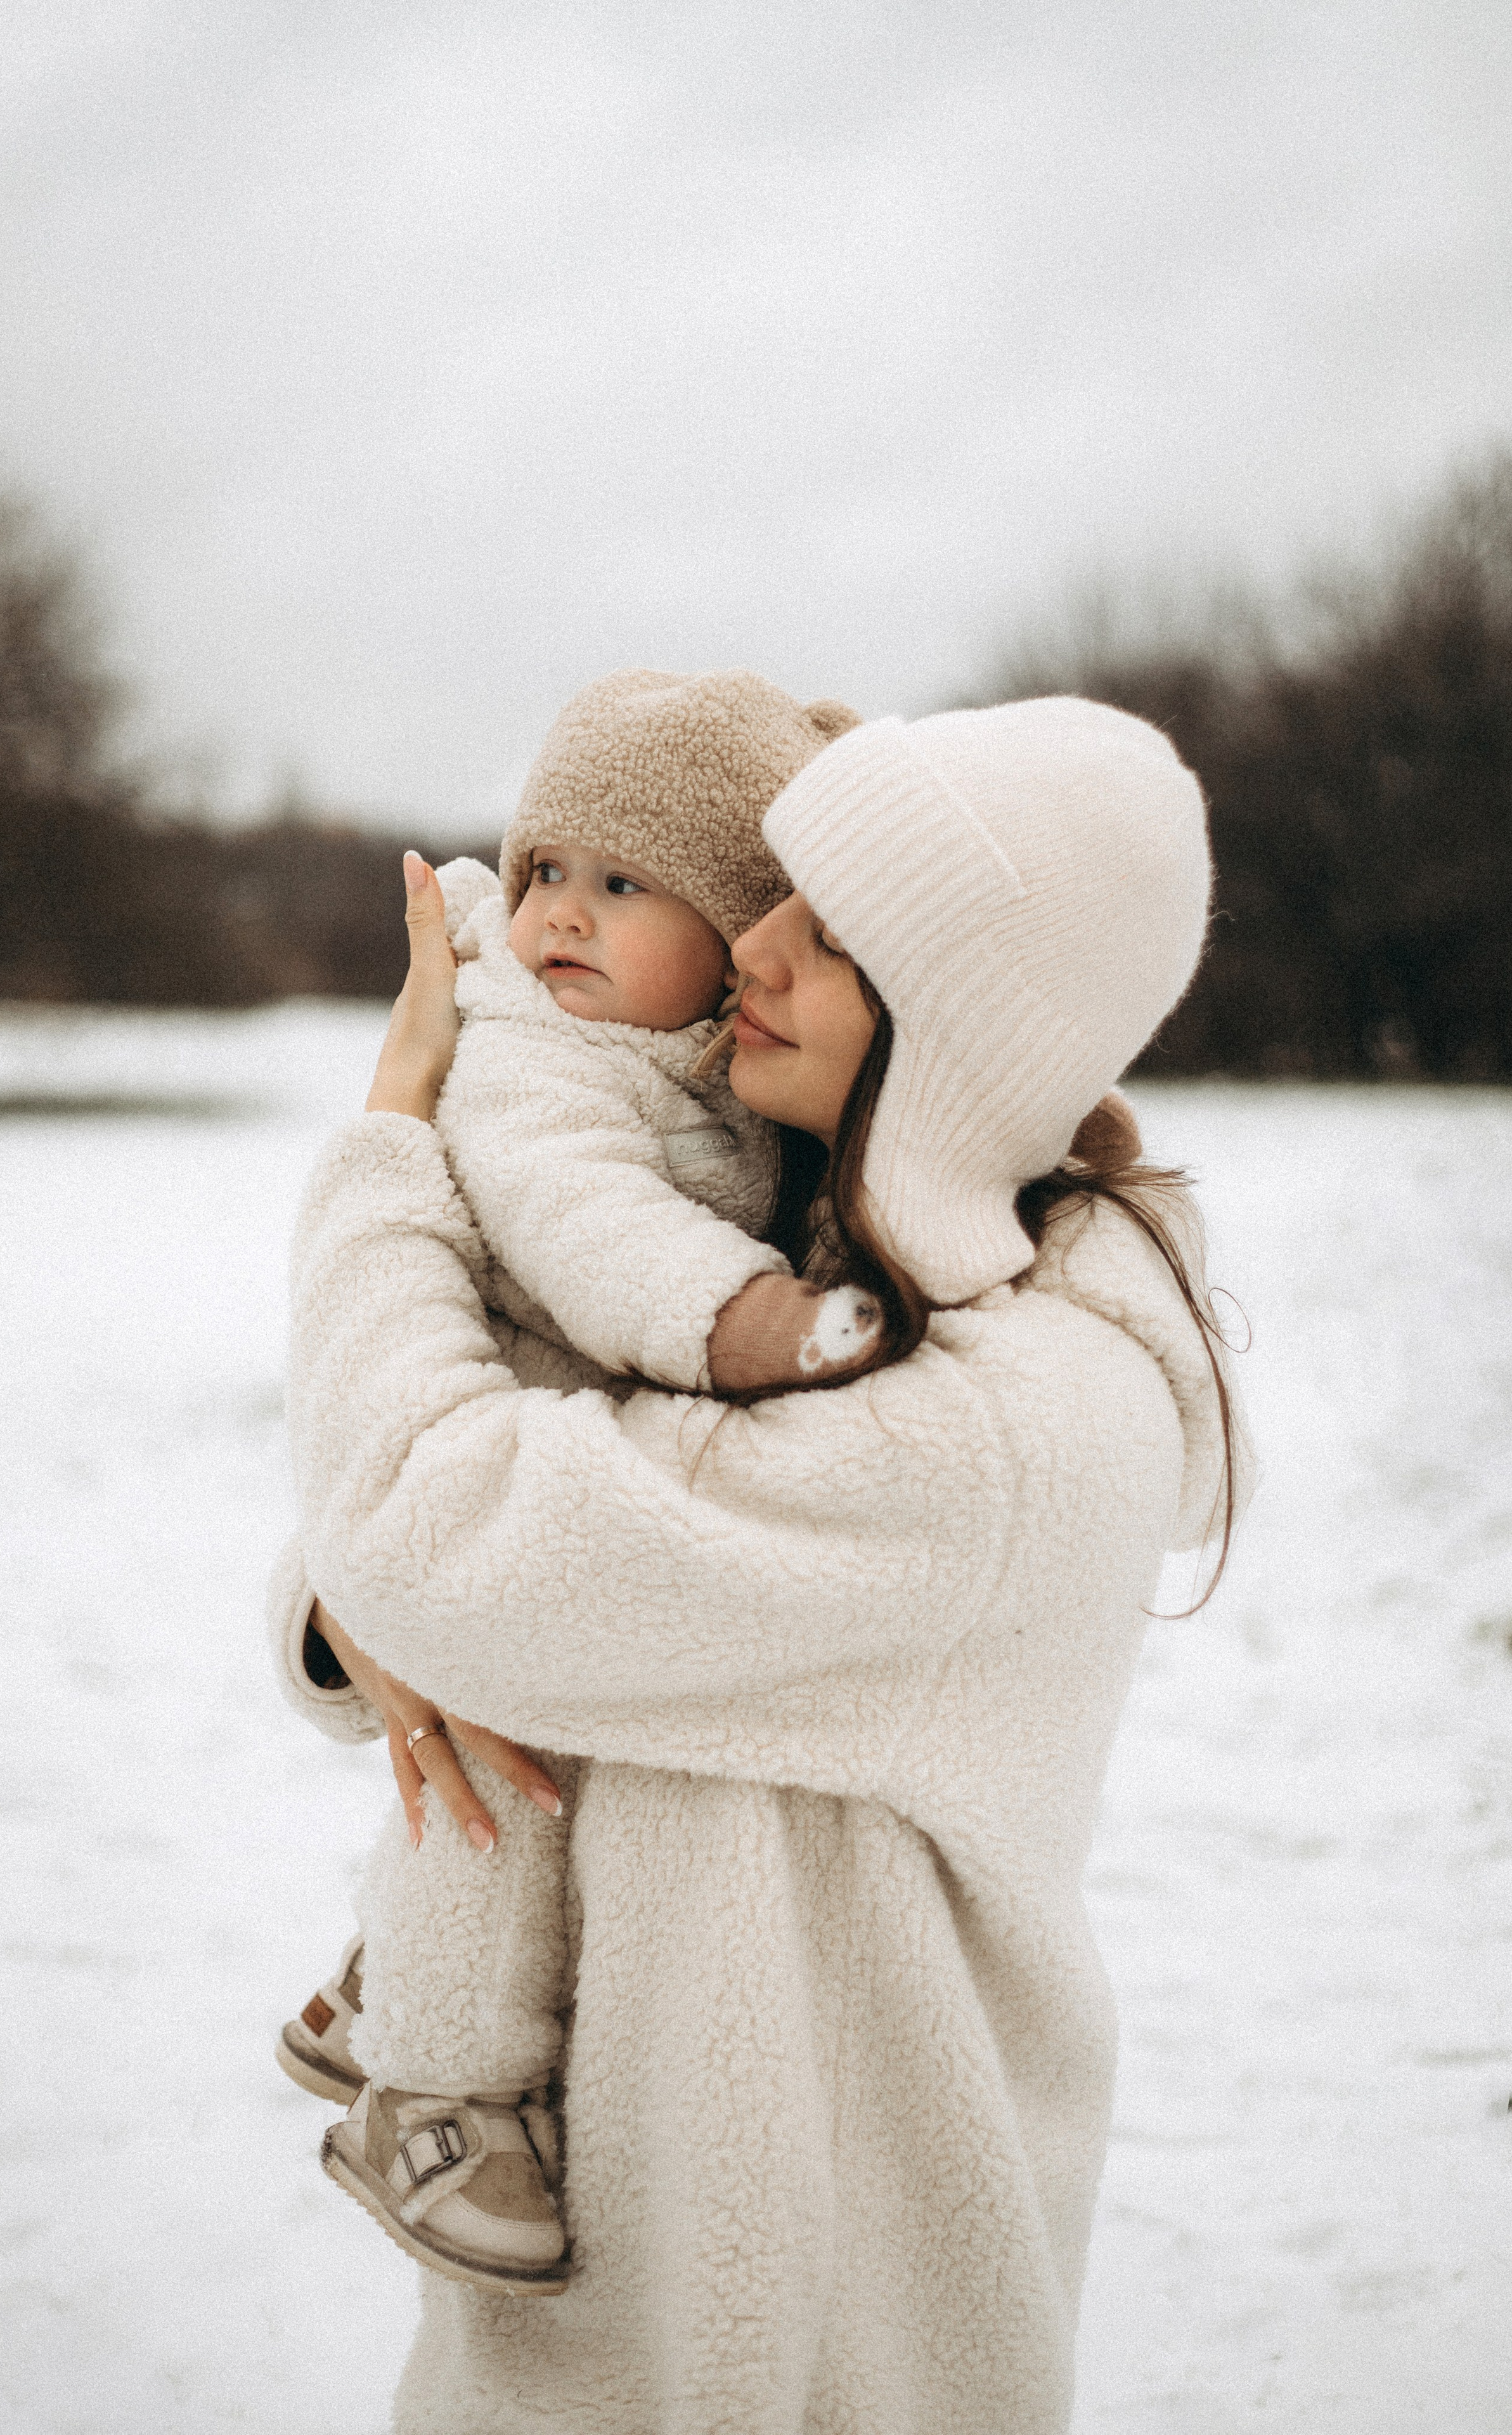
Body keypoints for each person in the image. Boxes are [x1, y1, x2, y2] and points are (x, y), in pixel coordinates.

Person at [271, 693, 1247, 2433]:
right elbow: (461, 1504)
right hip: (601, 2324)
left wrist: (395, 1139)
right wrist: (358, 1613)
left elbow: (443, 1514)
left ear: (958, 1024)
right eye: (767, 896)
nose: (755, 951)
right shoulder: (804, 1243)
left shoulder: (1019, 1430)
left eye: (830, 931)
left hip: (811, 2342)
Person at [272, 671, 881, 2293]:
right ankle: (438, 2096)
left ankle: (373, 1991)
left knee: (501, 1780)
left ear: (746, 930)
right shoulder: (544, 1062)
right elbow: (586, 1236)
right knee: (498, 1792)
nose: (557, 917)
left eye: (623, 885)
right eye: (544, 871)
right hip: (483, 1455)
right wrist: (752, 1325)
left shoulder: (696, 1073)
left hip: (513, 1477)